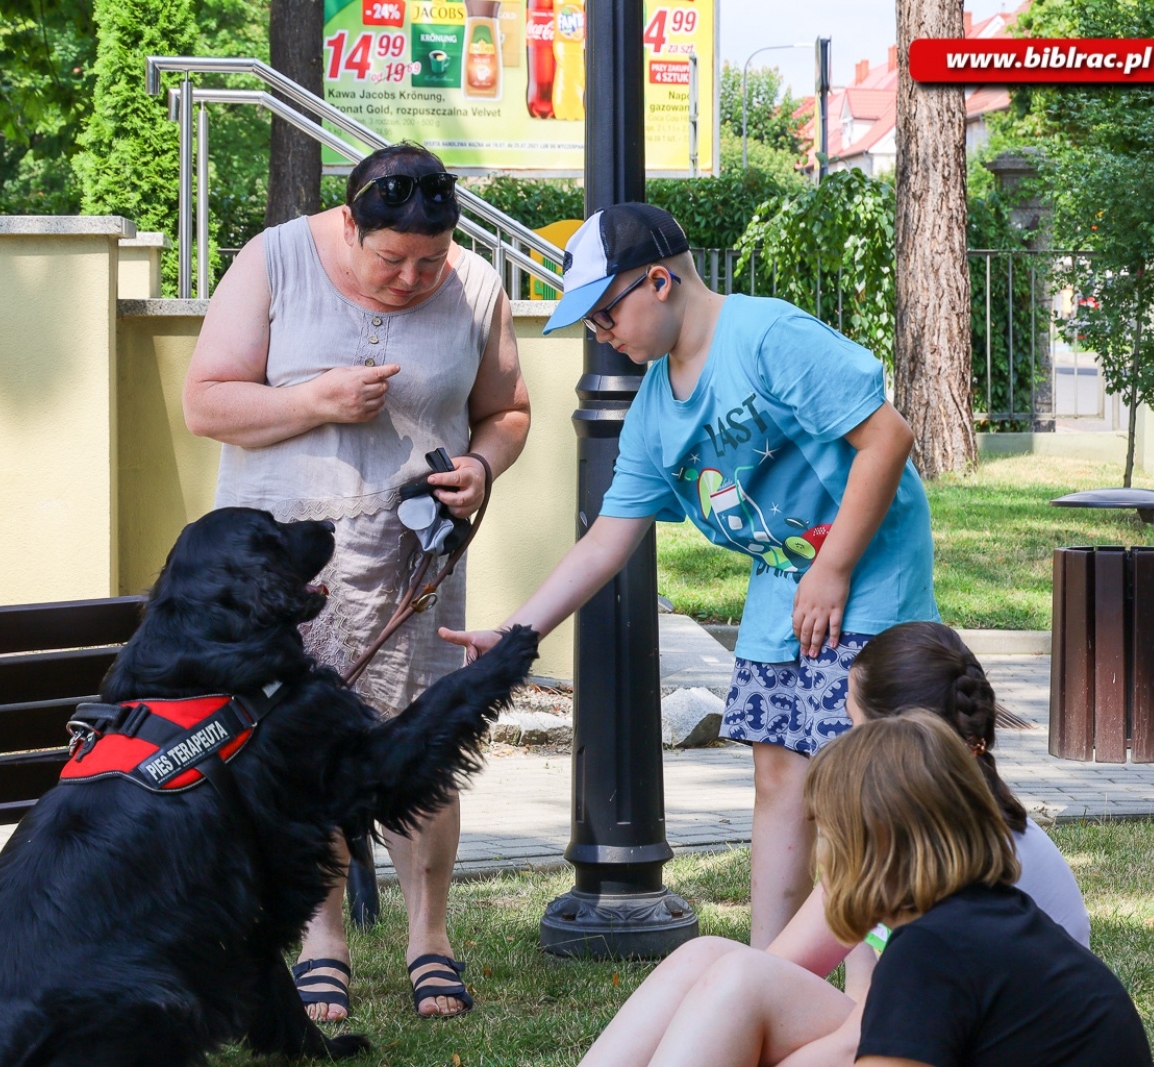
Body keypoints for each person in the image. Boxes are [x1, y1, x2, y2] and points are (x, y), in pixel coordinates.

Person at [440, 203, 938, 953]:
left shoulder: (768, 337)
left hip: (866, 568)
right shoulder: (653, 410)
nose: (603, 337)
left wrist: (834, 569)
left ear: (660, 281)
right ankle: (770, 975)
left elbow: (888, 438)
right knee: (780, 777)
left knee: (858, 787)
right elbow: (606, 539)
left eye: (607, 316)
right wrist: (517, 633)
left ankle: (882, 982)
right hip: (786, 573)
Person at [183, 142, 531, 1021]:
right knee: (300, 748)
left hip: (411, 558)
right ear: (350, 224)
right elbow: (206, 402)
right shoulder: (276, 260)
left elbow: (507, 410)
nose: (413, 277)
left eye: (430, 260)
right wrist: (314, 401)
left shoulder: (477, 287)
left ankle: (430, 937)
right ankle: (321, 939)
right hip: (287, 566)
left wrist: (485, 466)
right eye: (392, 259)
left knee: (424, 743)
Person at [575, 620, 1092, 1066]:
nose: (839, 738)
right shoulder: (907, 833)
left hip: (973, 1051)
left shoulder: (960, 858)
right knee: (709, 959)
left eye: (849, 718)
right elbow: (801, 978)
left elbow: (865, 1042)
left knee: (737, 986)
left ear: (891, 739)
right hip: (918, 1037)